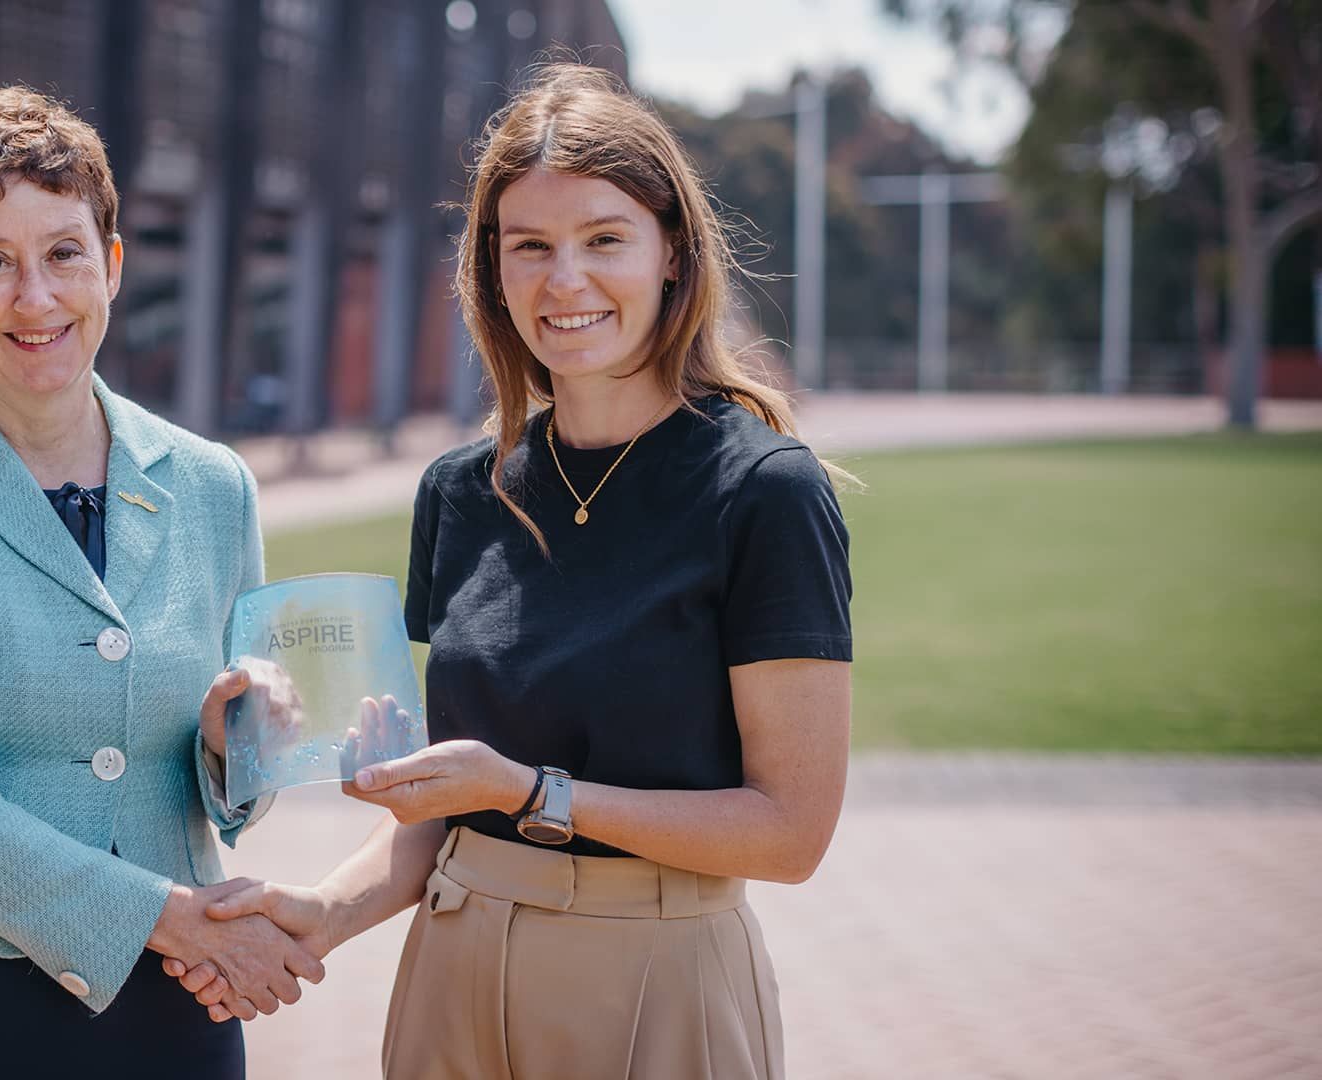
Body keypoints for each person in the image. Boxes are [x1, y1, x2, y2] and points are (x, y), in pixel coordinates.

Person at [165, 63, 854, 1079]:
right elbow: (442, 815)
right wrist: (320, 913)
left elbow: (790, 833)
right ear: (492, 269)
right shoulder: (459, 491)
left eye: (604, 239)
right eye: (528, 246)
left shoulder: (765, 491)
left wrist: (533, 792)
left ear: (673, 255)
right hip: (453, 969)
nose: (562, 281)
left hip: (657, 984)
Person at [0, 86, 321, 1079]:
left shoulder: (214, 484)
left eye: (63, 253)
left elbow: (231, 797)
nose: (34, 297)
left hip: (170, 1012)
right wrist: (170, 920)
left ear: (113, 267)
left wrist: (233, 741)